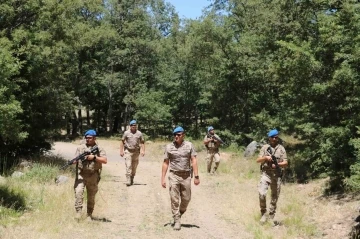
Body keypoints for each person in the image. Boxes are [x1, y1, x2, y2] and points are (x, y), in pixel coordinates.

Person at [161, 126, 200, 231]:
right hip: (174, 175)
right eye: (174, 135)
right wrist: (162, 178)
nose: (176, 136)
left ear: (183, 135)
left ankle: (180, 212)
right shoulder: (169, 147)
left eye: (178, 134)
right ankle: (177, 220)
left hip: (186, 175)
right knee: (174, 198)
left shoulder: (189, 145)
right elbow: (165, 163)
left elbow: (194, 160)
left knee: (186, 198)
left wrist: (196, 176)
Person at [74, 129, 107, 221]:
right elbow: (75, 159)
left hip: (93, 175)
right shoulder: (80, 148)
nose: (88, 139)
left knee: (91, 196)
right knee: (78, 192)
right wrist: (74, 161)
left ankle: (89, 214)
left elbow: (105, 160)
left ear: (94, 138)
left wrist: (94, 157)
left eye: (90, 138)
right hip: (82, 174)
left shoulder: (99, 149)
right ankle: (78, 213)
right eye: (86, 138)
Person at [256, 129, 288, 224]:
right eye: (273, 137)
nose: (275, 139)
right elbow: (258, 160)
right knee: (262, 193)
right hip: (266, 174)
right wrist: (265, 158)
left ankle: (271, 215)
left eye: (276, 137)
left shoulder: (281, 149)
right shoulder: (265, 148)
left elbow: (286, 162)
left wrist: (277, 164)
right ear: (269, 138)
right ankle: (263, 213)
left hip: (277, 175)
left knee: (274, 197)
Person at [120, 120, 145, 186]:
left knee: (134, 167)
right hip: (128, 151)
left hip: (136, 152)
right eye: (132, 125)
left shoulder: (139, 133)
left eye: (135, 125)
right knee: (128, 165)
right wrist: (121, 151)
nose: (134, 126)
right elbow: (122, 141)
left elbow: (142, 142)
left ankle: (132, 178)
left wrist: (143, 150)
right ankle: (128, 179)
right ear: (130, 126)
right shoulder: (126, 133)